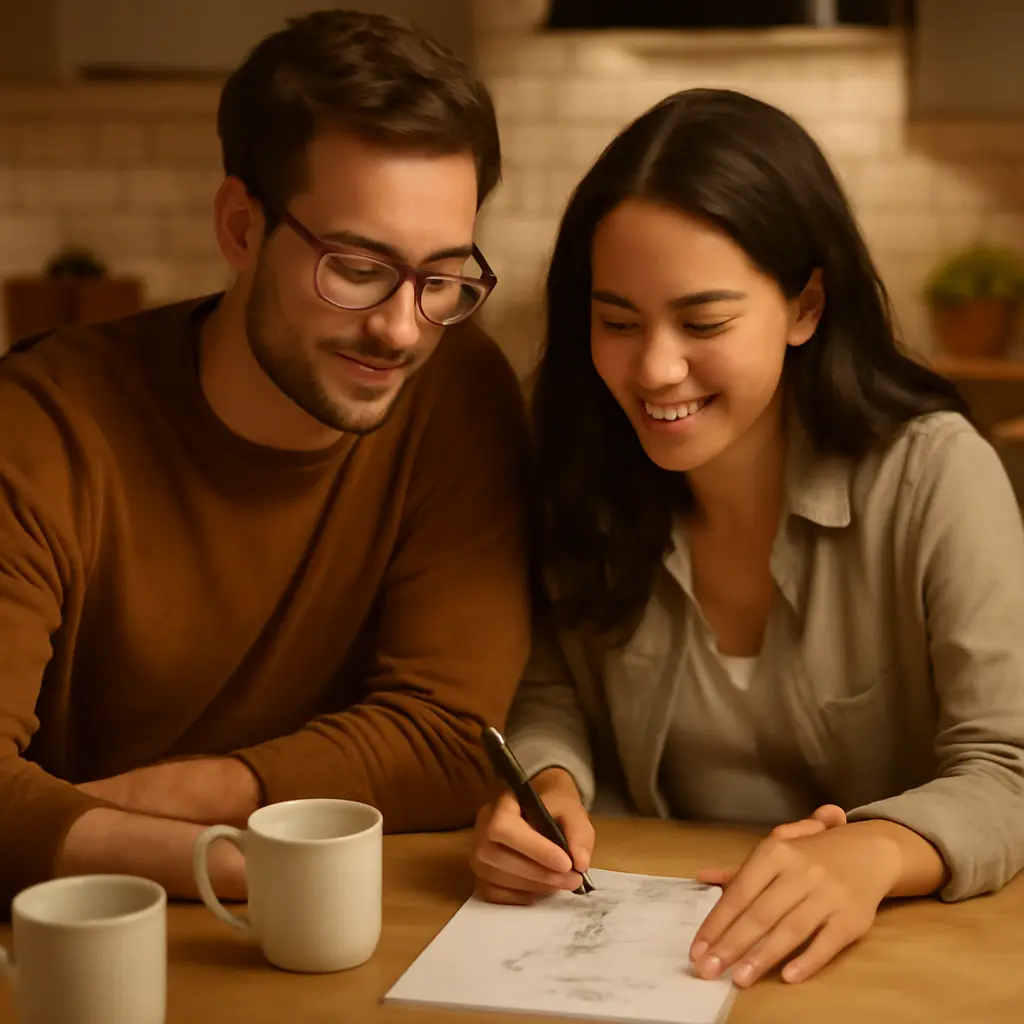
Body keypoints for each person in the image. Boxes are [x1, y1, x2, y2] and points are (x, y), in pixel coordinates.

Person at [470, 88, 1024, 987]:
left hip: (885, 968)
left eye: (703, 323)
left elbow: (1009, 767)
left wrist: (876, 851)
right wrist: (548, 789)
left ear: (805, 306)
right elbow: (551, 694)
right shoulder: (583, 462)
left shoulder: (934, 475)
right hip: (648, 955)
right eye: (617, 322)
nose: (653, 369)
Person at [0, 9, 531, 913]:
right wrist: (244, 865)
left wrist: (182, 802)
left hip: (333, 928)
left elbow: (452, 739)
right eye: (358, 267)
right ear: (242, 230)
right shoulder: (42, 424)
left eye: (442, 277)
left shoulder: (458, 390)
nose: (402, 330)